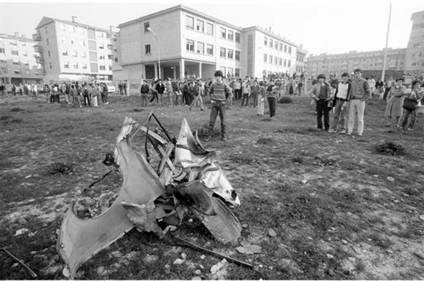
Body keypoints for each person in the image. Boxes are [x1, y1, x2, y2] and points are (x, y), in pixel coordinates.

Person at [208, 70, 232, 141]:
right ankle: (209, 136)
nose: (217, 78)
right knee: (211, 121)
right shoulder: (213, 85)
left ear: (221, 77)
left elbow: (229, 92)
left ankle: (223, 136)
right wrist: (211, 99)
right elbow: (209, 92)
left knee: (223, 121)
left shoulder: (224, 85)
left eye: (219, 76)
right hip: (214, 104)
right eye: (216, 76)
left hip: (222, 105)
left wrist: (225, 101)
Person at [347, 69, 371, 136]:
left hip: (360, 100)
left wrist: (363, 99)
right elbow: (350, 91)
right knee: (351, 116)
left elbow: (368, 93)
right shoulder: (352, 81)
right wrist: (349, 100)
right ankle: (349, 131)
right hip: (352, 100)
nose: (357, 75)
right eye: (356, 73)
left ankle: (360, 132)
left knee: (360, 118)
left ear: (361, 74)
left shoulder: (364, 82)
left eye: (358, 73)